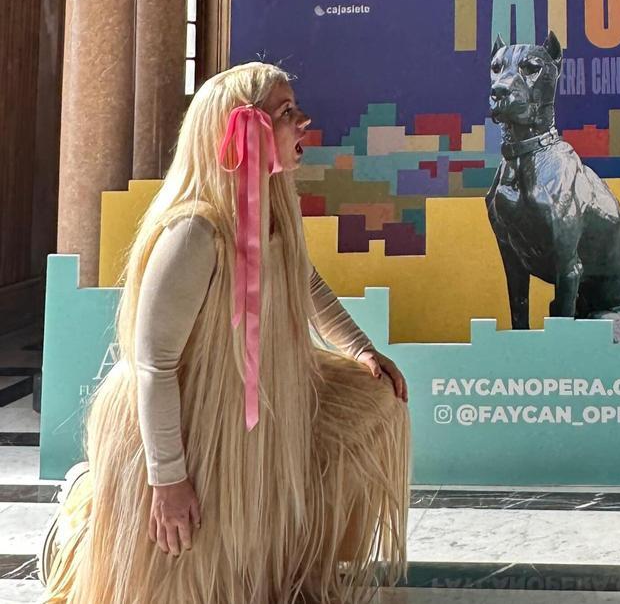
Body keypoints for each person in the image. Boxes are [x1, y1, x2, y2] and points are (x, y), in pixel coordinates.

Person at [40, 62, 411, 604]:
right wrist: (167, 479)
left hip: (236, 417)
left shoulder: (271, 215)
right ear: (243, 129)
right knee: (181, 574)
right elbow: (154, 365)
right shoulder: (195, 232)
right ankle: (83, 511)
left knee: (369, 399)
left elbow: (306, 283)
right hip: (179, 423)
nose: (304, 122)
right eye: (287, 113)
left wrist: (359, 349)